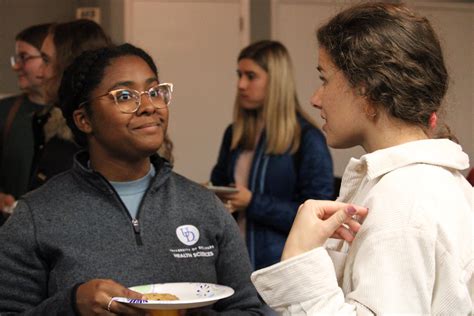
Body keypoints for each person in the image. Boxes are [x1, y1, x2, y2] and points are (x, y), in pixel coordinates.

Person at [0, 43, 264, 315]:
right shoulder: (36, 216)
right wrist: (71, 304)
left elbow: (248, 308)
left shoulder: (204, 207)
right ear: (84, 120)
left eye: (154, 91)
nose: (149, 106)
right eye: (125, 96)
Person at [251, 2, 473, 314]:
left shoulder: (405, 198)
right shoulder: (425, 184)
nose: (315, 98)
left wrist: (301, 257)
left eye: (324, 79)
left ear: (366, 90)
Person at [210, 40, 334, 270]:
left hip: (281, 268)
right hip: (234, 265)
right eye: (239, 75)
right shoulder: (234, 133)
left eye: (251, 76)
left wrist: (252, 202)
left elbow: (317, 217)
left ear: (275, 81)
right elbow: (218, 183)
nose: (241, 85)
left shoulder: (307, 138)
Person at [0, 20, 112, 224]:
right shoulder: (48, 123)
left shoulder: (89, 138)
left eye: (46, 60)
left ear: (69, 66)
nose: (42, 73)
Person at [0, 23, 51, 223]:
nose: (15, 66)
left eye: (24, 57)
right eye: (17, 58)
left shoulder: (74, 115)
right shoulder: (4, 111)